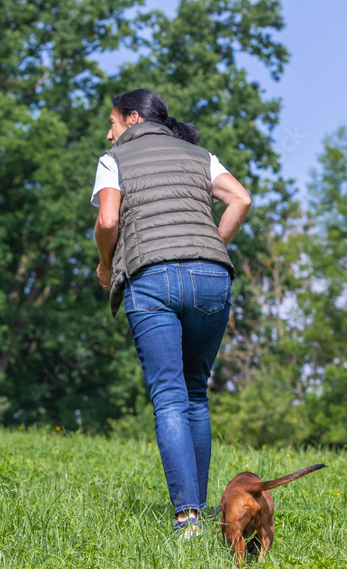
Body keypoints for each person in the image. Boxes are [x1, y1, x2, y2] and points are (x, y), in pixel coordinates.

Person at [91, 89, 252, 537]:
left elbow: (108, 221)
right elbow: (240, 199)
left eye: (113, 122)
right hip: (211, 278)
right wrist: (212, 247)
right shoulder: (200, 155)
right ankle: (199, 510)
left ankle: (188, 517)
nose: (109, 132)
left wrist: (106, 265)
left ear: (134, 119)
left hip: (151, 278)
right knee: (196, 392)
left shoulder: (114, 160)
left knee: (169, 396)